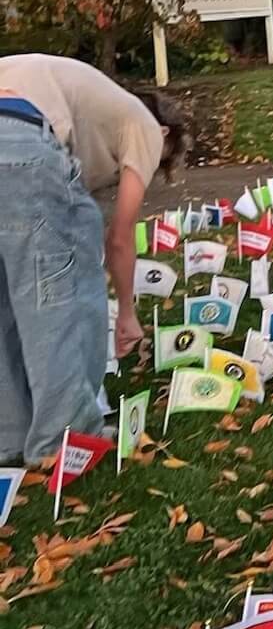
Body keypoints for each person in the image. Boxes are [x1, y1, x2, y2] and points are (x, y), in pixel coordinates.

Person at [0, 54, 188, 464]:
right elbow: (119, 237)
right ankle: (66, 438)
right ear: (165, 133)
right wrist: (126, 313)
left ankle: (8, 439)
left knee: (5, 303)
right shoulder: (144, 125)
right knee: (61, 296)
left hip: (13, 129)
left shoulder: (91, 105)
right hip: (19, 137)